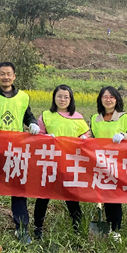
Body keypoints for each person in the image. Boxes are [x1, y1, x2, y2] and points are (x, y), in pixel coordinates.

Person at [0, 61, 40, 244]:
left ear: (14, 76)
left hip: (17, 150)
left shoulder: (23, 97)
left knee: (18, 190)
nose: (6, 77)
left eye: (9, 74)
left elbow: (28, 116)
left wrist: (33, 123)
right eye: (2, 74)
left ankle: (21, 228)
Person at [34, 84, 90, 239]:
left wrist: (84, 138)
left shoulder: (78, 117)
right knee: (43, 196)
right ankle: (38, 228)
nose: (62, 99)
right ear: (54, 98)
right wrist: (45, 138)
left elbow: (86, 136)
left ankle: (77, 229)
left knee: (71, 197)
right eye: (59, 96)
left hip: (70, 163)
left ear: (71, 99)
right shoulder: (46, 115)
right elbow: (38, 136)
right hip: (50, 162)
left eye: (66, 97)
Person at [90, 86, 127, 243]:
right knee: (101, 195)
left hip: (118, 163)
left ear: (117, 99)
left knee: (114, 196)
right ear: (100, 99)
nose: (108, 100)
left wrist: (124, 135)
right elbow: (90, 137)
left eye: (111, 97)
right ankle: (103, 226)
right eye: (105, 97)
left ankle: (115, 229)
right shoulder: (95, 119)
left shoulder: (125, 117)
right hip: (99, 162)